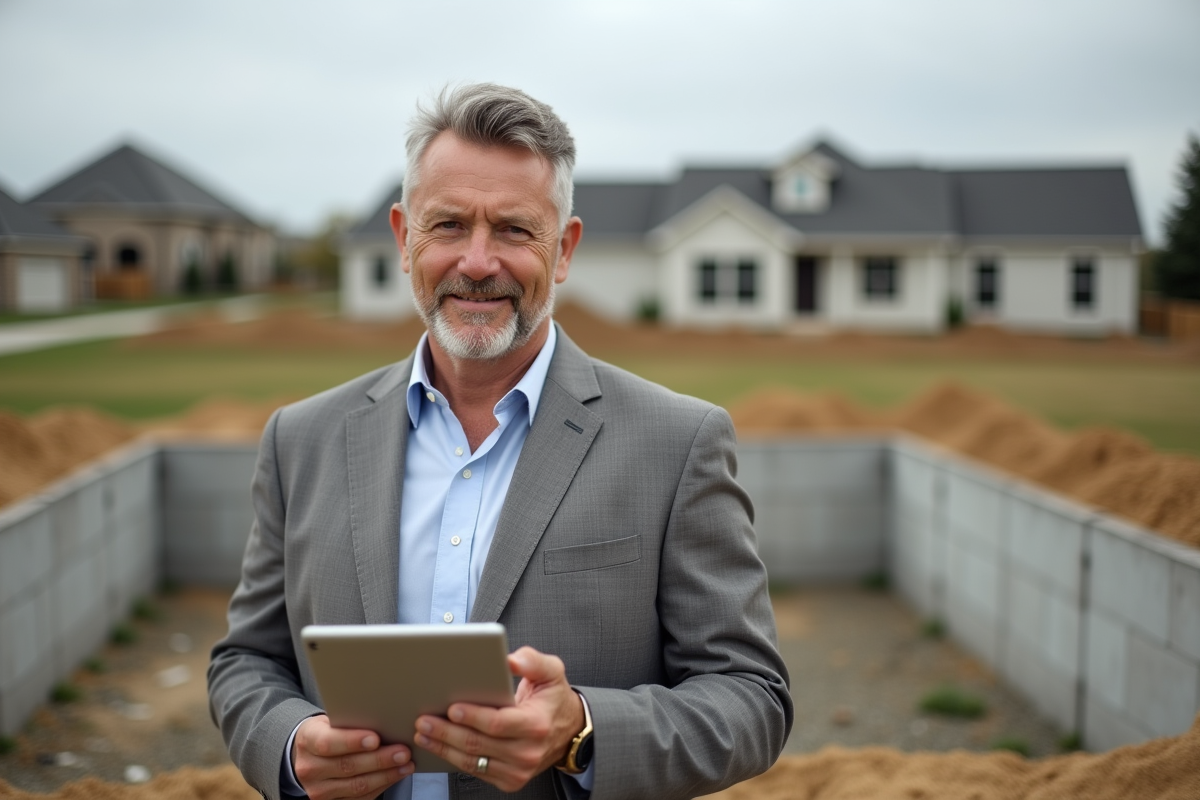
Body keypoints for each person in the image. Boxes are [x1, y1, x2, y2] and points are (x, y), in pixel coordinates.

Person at [208, 82, 792, 800]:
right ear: (402, 238)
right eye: (448, 225)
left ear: (566, 249)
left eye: (514, 230)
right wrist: (291, 747)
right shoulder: (301, 441)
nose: (478, 262)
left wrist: (581, 732)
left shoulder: (678, 443)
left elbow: (751, 697)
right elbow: (246, 661)